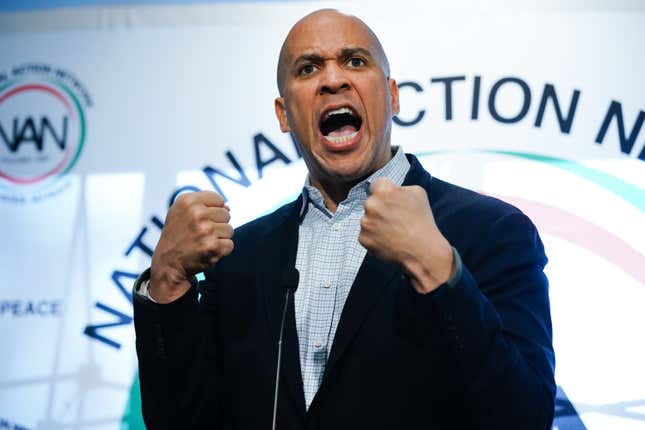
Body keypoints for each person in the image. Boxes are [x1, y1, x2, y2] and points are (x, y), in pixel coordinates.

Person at [133, 9, 556, 430]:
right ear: (283, 114)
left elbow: (525, 416)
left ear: (392, 95)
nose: (333, 80)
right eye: (308, 68)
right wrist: (167, 280)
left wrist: (443, 274)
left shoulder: (492, 231)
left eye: (355, 61)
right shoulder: (240, 258)